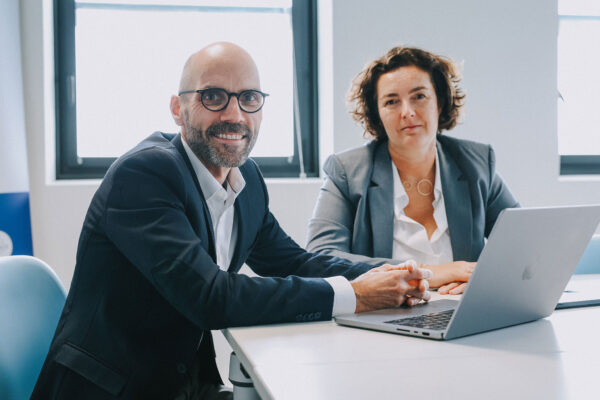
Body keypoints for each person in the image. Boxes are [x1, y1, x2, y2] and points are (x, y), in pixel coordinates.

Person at [31, 42, 432, 400]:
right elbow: (211, 298)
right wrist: (356, 295)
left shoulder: (247, 179)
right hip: (111, 389)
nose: (235, 114)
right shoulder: (144, 175)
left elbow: (293, 261)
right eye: (213, 97)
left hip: (186, 384)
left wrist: (397, 274)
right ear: (178, 109)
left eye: (249, 98)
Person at [307, 46, 520, 296]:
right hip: (384, 313)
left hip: (461, 309)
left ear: (440, 102)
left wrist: (481, 278)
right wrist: (430, 272)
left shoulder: (477, 164)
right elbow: (321, 258)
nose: (407, 112)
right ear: (377, 114)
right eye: (391, 102)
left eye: (419, 96)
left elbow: (523, 245)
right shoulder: (347, 172)